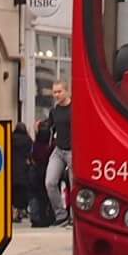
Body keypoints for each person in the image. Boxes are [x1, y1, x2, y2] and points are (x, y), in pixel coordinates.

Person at [44, 83, 75, 228]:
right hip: (58, 149)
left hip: (73, 150)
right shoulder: (54, 110)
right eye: (54, 92)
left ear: (67, 92)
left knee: (74, 185)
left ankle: (75, 218)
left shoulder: (75, 108)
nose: (56, 95)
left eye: (59, 91)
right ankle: (61, 215)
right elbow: (50, 126)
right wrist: (41, 127)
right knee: (50, 182)